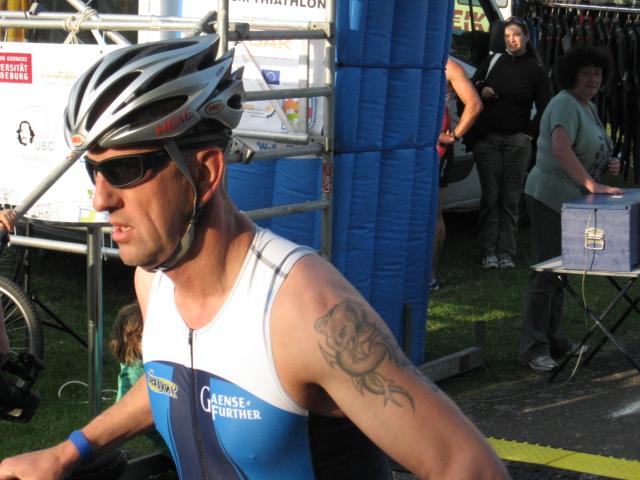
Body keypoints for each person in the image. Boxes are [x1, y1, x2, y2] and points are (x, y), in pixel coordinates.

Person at [0, 35, 510, 480]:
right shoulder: (152, 283)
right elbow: (168, 381)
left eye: (126, 170)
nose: (101, 199)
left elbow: (470, 467)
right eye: (94, 172)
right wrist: (68, 452)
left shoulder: (307, 309)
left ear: (205, 173)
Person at [519, 45, 622, 372]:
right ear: (571, 75)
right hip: (549, 196)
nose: (593, 79)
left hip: (571, 201)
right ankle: (534, 348)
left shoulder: (587, 106)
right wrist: (592, 185)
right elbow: (561, 150)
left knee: (561, 273)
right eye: (586, 73)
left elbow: (590, 148)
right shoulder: (564, 103)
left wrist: (611, 163)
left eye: (598, 73)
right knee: (548, 271)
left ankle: (556, 339)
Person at [472, 16, 552, 270]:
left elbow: (546, 106)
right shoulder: (493, 61)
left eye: (516, 35)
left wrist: (529, 133)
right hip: (489, 139)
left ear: (527, 37)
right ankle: (488, 252)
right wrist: (482, 89)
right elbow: (471, 87)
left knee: (510, 198)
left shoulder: (535, 70)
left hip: (517, 141)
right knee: (490, 195)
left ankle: (506, 252)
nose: (511, 40)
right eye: (507, 36)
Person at [431, 58, 483, 291]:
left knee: (433, 213)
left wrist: (454, 135)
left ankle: (430, 275)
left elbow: (474, 104)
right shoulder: (409, 55)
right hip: (409, 144)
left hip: (437, 148)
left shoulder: (449, 66)